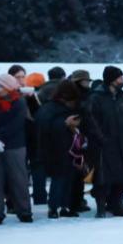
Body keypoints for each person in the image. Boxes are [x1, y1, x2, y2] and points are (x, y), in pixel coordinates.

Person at [83, 66, 123, 218]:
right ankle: (101, 206)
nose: (122, 81)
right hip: (104, 143)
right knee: (103, 178)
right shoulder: (96, 97)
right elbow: (91, 119)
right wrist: (101, 138)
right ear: (112, 79)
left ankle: (117, 205)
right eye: (119, 78)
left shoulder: (122, 97)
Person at [0, 72, 34, 224]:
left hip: (14, 146)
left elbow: (16, 124)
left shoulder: (19, 102)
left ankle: (24, 211)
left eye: (0, 85)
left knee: (18, 180)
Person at [36, 81, 85, 219]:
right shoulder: (57, 110)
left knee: (64, 179)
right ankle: (57, 206)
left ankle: (61, 206)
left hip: (60, 148)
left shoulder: (48, 108)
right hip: (59, 149)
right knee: (61, 179)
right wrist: (66, 125)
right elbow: (48, 128)